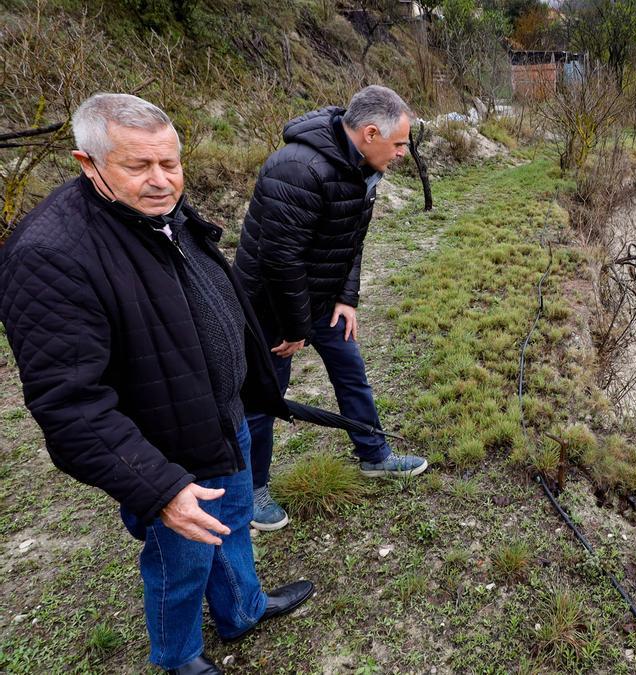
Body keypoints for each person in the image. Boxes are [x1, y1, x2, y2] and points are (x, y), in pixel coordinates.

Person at [0, 93, 314, 674]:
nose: (162, 181)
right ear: (88, 163)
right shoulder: (50, 254)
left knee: (234, 524)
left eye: (170, 163)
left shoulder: (159, 212)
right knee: (181, 559)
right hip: (165, 445)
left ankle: (242, 609)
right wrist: (162, 488)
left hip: (221, 415)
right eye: (138, 166)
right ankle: (178, 658)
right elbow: (70, 405)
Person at [235, 85, 428, 531]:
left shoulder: (364, 167)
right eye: (399, 144)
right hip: (268, 308)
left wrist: (346, 297)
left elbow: (350, 241)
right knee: (263, 399)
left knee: (350, 368)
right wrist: (295, 327)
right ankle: (251, 494)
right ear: (371, 133)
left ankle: (374, 455)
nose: (403, 153)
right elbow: (278, 260)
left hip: (319, 299)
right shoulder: (299, 169)